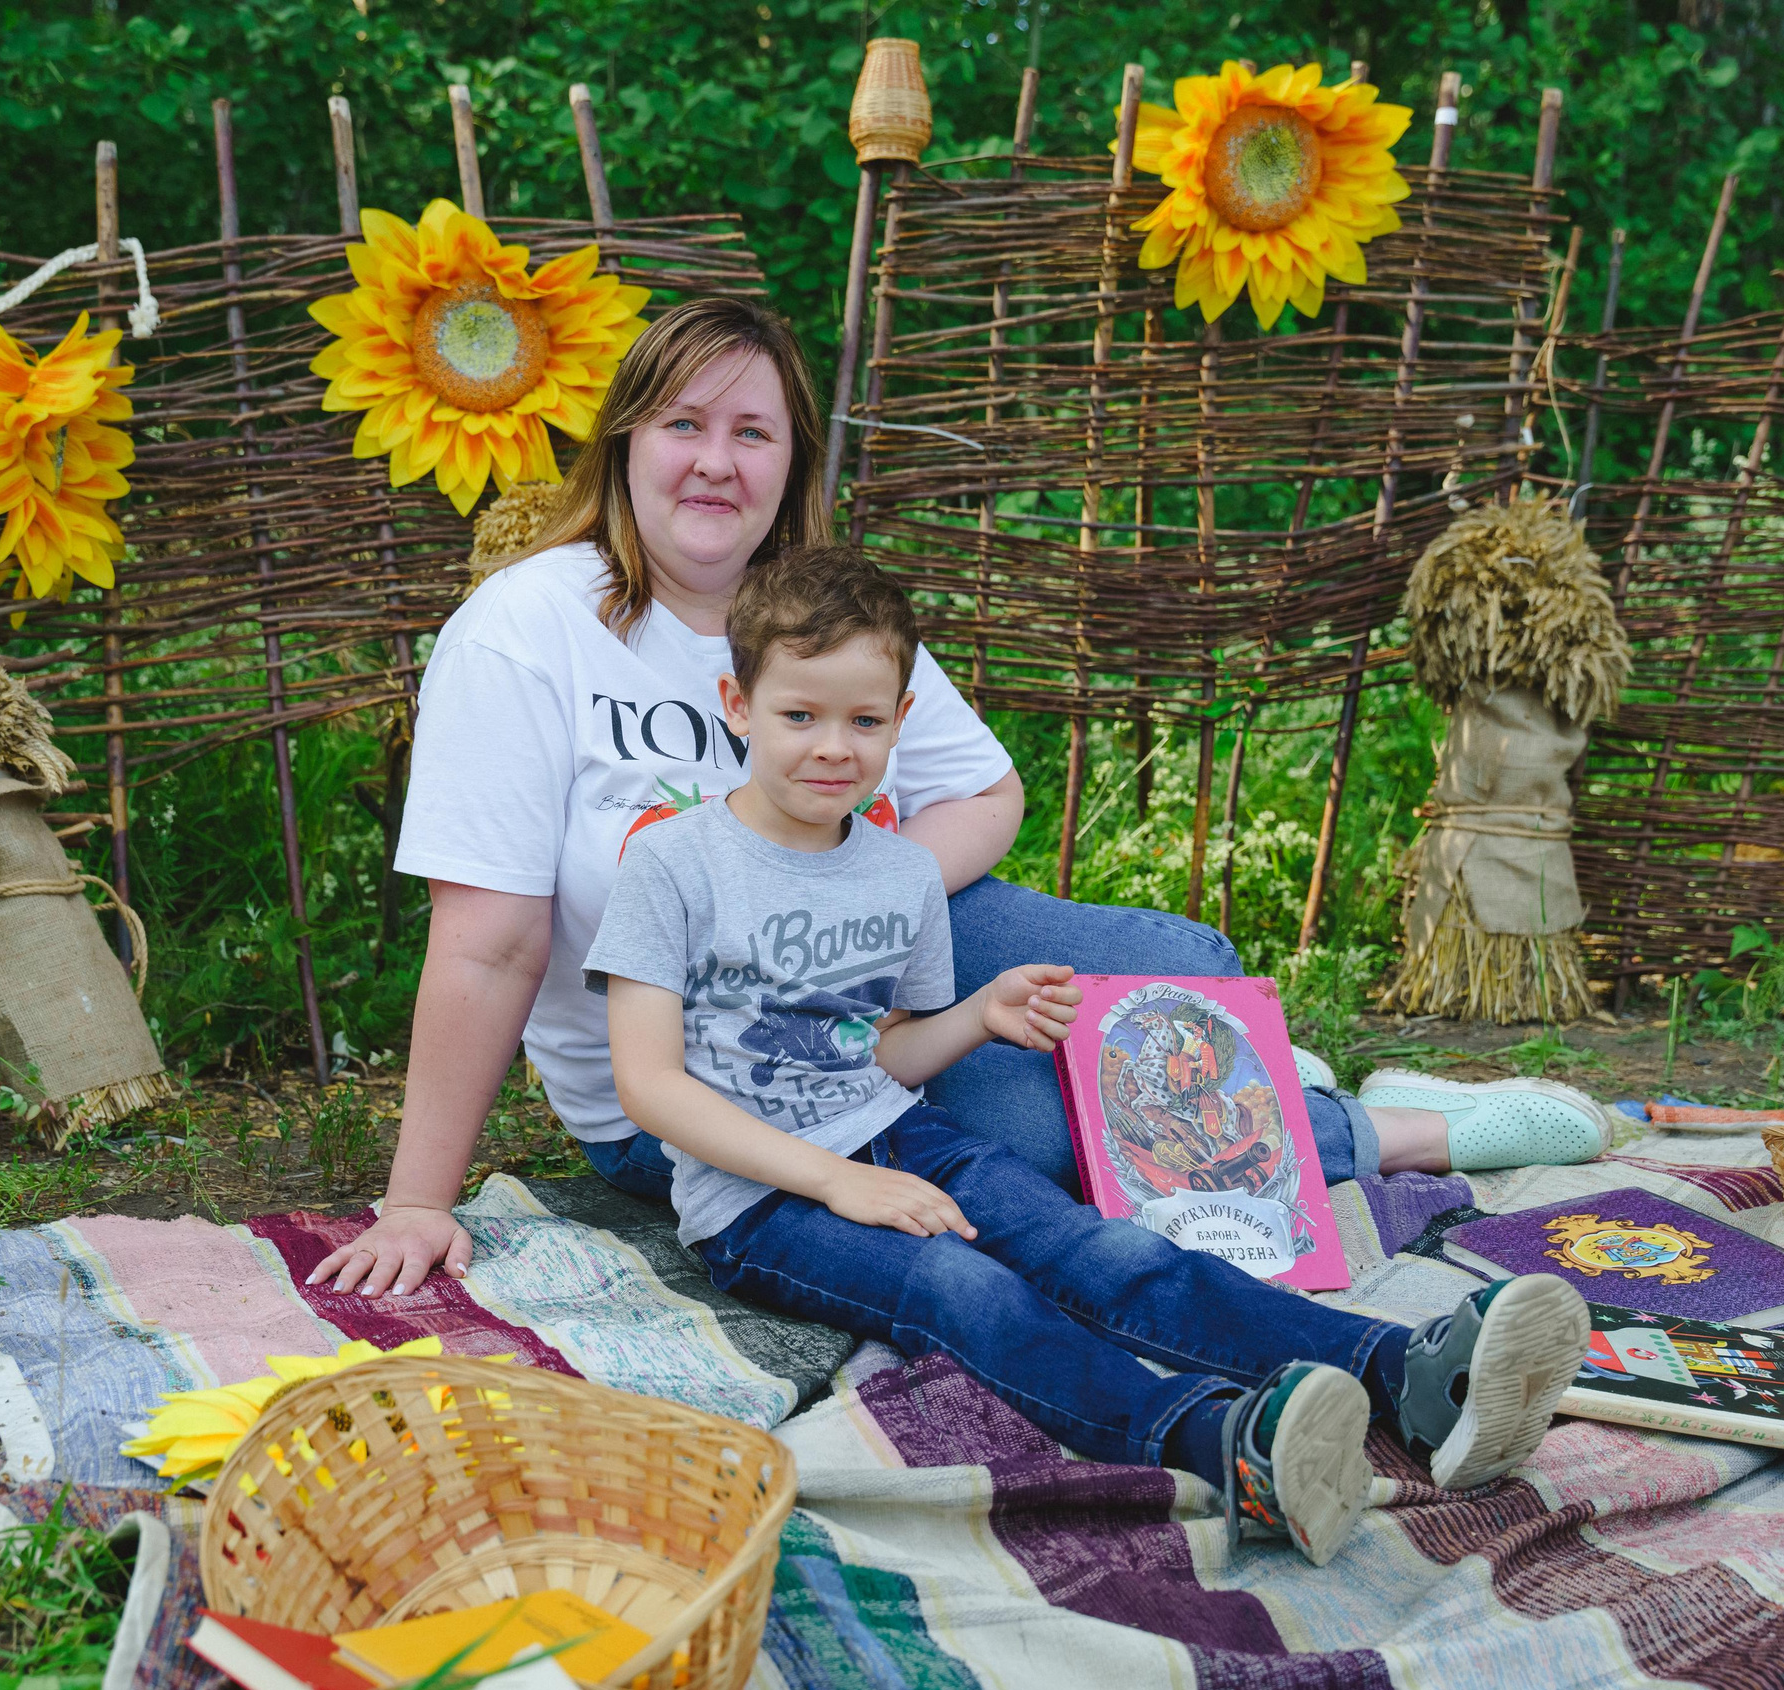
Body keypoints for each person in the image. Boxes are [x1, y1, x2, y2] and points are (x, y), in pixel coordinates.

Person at [306, 295, 1606, 1302]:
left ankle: (1226, 1058)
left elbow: (985, 793)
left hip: (879, 975)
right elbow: (489, 939)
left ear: (791, 461)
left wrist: (854, 896)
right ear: (625, 441)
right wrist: (419, 1198)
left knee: (1181, 960)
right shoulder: (524, 631)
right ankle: (1379, 1126)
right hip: (710, 1077)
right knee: (1046, 1146)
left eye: (751, 431)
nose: (715, 462)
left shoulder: (814, 611)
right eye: (684, 425)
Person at [582, 546, 1592, 1560]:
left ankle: (1411, 1374)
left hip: (899, 1135)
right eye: (799, 715)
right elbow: (650, 1086)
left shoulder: (897, 874)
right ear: (738, 703)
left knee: (1106, 1248)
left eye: (865, 720)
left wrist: (978, 1015)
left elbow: (883, 1055)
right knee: (961, 1287)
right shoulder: (675, 864)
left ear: (899, 718)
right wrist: (838, 1184)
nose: (832, 748)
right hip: (755, 1202)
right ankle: (1220, 1444)